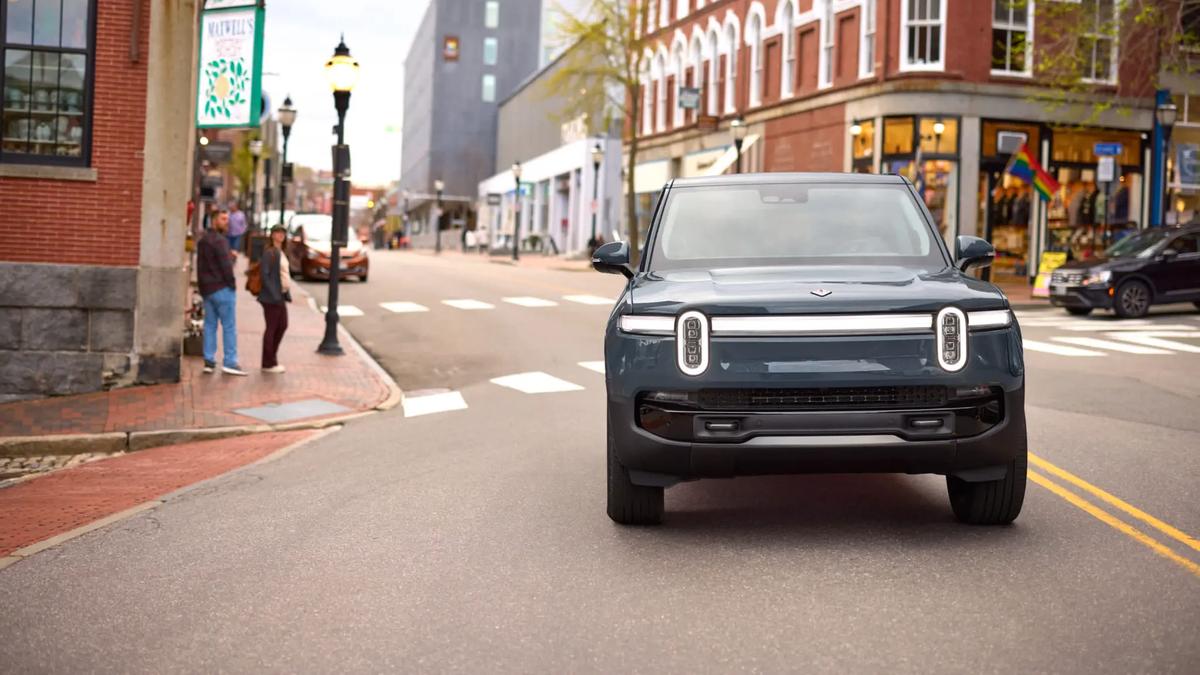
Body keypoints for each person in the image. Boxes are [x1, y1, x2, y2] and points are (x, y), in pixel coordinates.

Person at [196, 209, 247, 376]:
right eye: (223, 219)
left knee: (210, 325)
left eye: (227, 219)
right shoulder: (220, 241)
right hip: (222, 289)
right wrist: (232, 284)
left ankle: (209, 361)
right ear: (214, 221)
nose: (227, 222)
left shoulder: (203, 240)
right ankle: (230, 361)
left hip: (208, 290)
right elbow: (225, 266)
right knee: (229, 326)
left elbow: (200, 266)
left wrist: (203, 288)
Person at [258, 225, 291, 373]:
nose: (281, 235)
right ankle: (268, 363)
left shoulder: (281, 252)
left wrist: (285, 294)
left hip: (280, 296)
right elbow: (264, 276)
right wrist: (274, 294)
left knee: (282, 325)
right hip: (272, 298)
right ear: (272, 235)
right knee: (272, 328)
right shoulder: (269, 252)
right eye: (278, 233)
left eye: (283, 233)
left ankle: (272, 359)